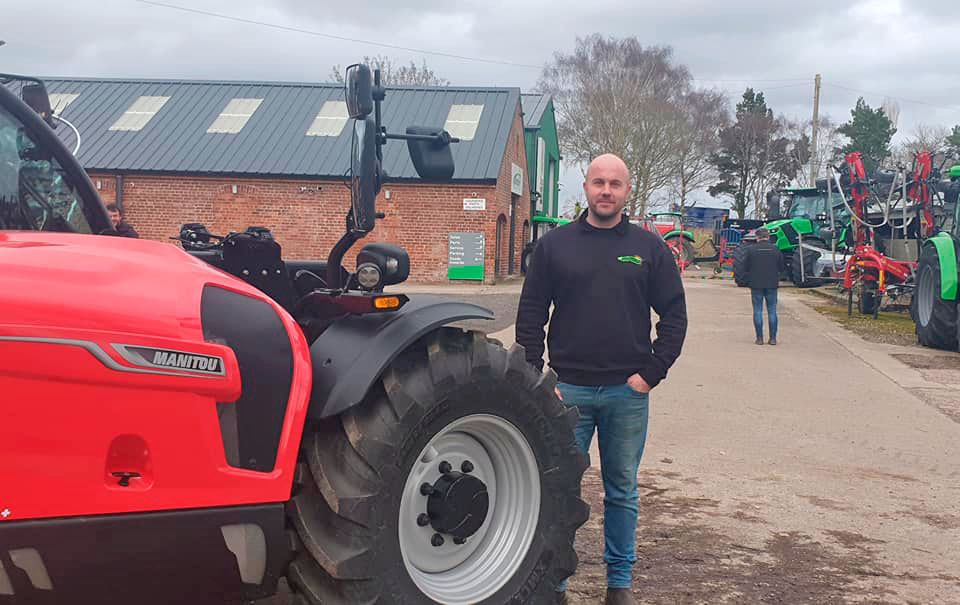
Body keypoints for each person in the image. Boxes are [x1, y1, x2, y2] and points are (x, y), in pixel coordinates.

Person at [516, 154, 688, 605]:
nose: (606, 190)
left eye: (615, 183)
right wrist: (538, 376)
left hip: (625, 394)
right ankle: (553, 582)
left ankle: (619, 584)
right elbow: (531, 314)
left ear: (627, 191)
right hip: (565, 392)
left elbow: (674, 315)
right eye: (598, 182)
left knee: (622, 491)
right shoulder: (556, 246)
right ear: (586, 189)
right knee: (555, 491)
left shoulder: (649, 249)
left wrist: (651, 374)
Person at [743, 227, 784, 345]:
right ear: (768, 237)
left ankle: (759, 338)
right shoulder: (775, 249)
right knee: (772, 311)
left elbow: (745, 267)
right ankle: (772, 339)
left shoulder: (751, 250)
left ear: (757, 237)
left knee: (757, 310)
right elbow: (781, 267)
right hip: (772, 284)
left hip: (756, 284)